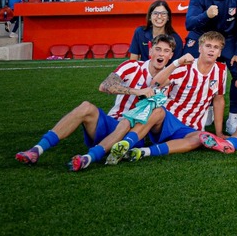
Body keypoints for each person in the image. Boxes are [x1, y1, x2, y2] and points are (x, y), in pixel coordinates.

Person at [15, 34, 175, 168]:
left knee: (128, 123)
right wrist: (136, 91)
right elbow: (105, 85)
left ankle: (90, 157)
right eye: (158, 49)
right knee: (86, 107)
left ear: (171, 56)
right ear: (150, 51)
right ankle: (37, 150)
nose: (161, 54)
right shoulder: (132, 66)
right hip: (112, 123)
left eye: (166, 51)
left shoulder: (171, 81)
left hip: (132, 135)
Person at [114, 32, 228, 163]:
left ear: (219, 53)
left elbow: (218, 100)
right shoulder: (185, 67)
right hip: (169, 119)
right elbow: (155, 83)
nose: (211, 50)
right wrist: (176, 63)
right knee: (157, 111)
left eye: (216, 47)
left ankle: (144, 152)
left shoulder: (221, 71)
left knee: (201, 138)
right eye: (208, 46)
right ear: (199, 48)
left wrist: (219, 132)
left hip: (191, 128)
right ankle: (125, 144)